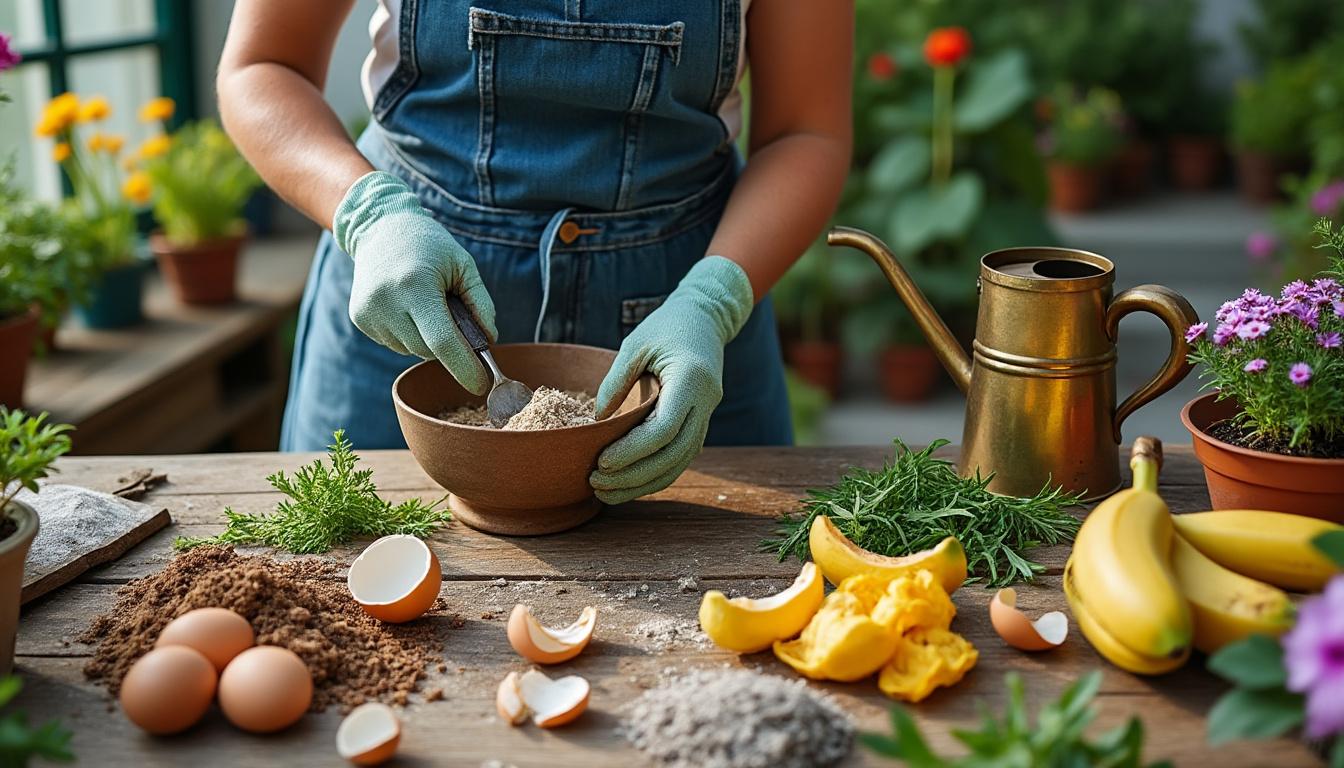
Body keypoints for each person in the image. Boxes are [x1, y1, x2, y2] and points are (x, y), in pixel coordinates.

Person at [217, 0, 851, 504]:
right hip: (410, 289)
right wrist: (369, 216)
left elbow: (806, 131)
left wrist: (713, 300)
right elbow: (262, 66)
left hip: (680, 308)